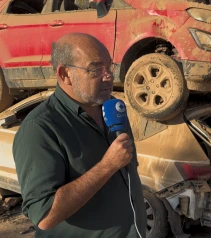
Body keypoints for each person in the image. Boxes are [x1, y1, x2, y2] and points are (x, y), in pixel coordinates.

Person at [12, 33, 146, 238]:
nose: (109, 75)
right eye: (95, 69)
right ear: (65, 74)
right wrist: (107, 166)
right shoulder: (39, 129)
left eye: (110, 66)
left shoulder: (113, 110)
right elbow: (45, 215)